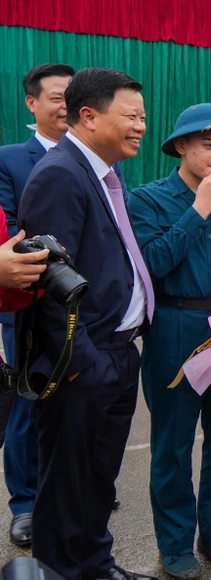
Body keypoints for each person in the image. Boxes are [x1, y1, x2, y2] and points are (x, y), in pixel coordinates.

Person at [20, 67, 156, 580]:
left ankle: (96, 565)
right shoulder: (61, 173)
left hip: (118, 352)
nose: (141, 126)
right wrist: (82, 365)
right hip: (84, 357)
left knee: (100, 478)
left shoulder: (102, 173)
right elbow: (49, 283)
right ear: (88, 115)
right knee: (67, 481)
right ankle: (59, 571)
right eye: (131, 116)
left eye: (143, 116)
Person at [129, 104, 211, 579]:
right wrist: (198, 210)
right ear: (181, 146)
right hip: (175, 331)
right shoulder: (149, 200)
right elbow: (150, 267)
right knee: (173, 444)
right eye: (208, 144)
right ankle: (176, 542)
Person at [0, 62, 73, 548]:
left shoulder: (101, 157)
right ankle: (24, 502)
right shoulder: (10, 158)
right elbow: (8, 229)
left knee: (76, 404)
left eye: (73, 96)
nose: (65, 104)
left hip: (81, 304)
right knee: (27, 403)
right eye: (56, 97)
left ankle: (69, 487)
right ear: (32, 103)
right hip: (26, 299)